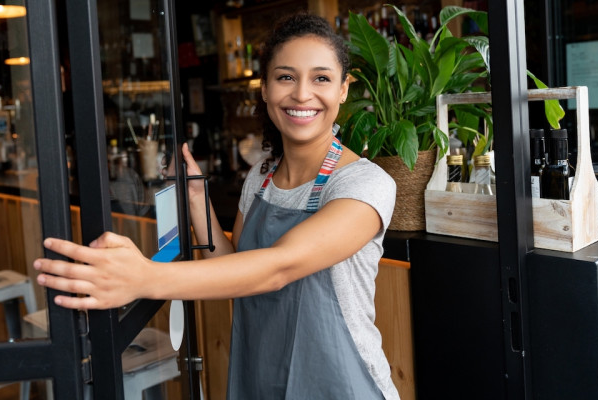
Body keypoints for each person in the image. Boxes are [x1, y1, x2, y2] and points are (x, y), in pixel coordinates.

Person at [34, 12, 399, 400]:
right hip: (260, 377)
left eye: (321, 78)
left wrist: (144, 279)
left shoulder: (364, 183)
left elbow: (279, 267)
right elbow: (236, 270)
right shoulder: (260, 177)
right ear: (264, 88)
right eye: (286, 77)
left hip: (340, 385)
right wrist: (196, 199)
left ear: (344, 89)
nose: (302, 94)